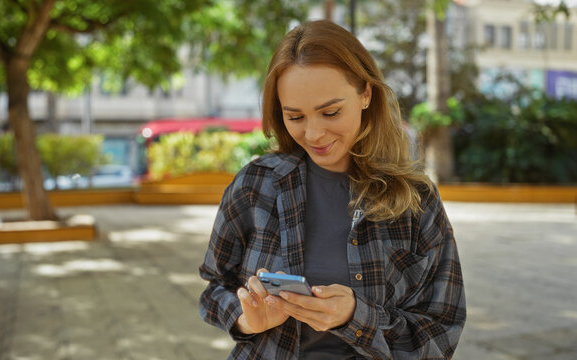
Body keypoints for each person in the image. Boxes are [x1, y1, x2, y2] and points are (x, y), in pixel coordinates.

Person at [199, 20, 465, 360]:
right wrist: (246, 319)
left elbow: (441, 332)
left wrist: (357, 317)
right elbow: (214, 288)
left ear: (366, 94)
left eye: (330, 112)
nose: (313, 134)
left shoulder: (416, 199)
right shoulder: (254, 185)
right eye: (295, 117)